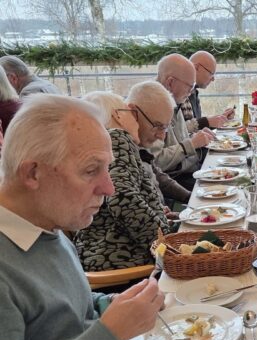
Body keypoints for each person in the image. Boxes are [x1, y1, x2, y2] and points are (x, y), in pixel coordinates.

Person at [0, 94, 164, 340]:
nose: (109, 188)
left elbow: (60, 308)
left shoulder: (44, 223)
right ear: (33, 173)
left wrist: (114, 303)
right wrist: (107, 334)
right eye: (91, 171)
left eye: (107, 169)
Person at [74, 91, 171, 271]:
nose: (136, 120)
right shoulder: (118, 138)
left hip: (101, 257)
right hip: (125, 262)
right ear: (118, 115)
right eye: (130, 113)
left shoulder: (105, 144)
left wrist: (156, 212)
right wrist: (167, 242)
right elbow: (122, 198)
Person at [151, 53, 215, 189]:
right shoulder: (152, 106)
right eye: (189, 87)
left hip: (189, 170)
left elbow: (180, 140)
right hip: (175, 182)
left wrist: (198, 137)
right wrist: (192, 144)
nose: (190, 92)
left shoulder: (174, 100)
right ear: (170, 82)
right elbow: (155, 161)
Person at [183, 50, 235, 131]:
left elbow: (195, 127)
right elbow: (178, 132)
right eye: (211, 73)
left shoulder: (194, 92)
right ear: (196, 67)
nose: (213, 79)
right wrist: (207, 121)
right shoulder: (179, 92)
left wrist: (220, 119)